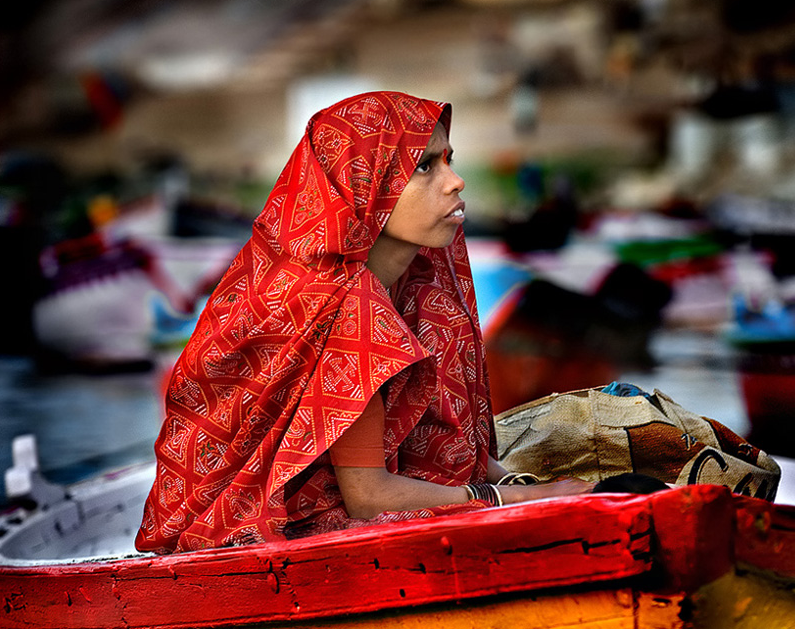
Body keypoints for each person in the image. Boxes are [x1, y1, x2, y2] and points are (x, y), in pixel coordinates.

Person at [135, 91, 592, 554]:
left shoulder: (418, 289)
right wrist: (508, 498)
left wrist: (520, 480)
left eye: (449, 161)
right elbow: (368, 498)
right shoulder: (341, 305)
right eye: (425, 166)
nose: (456, 182)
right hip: (255, 531)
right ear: (363, 183)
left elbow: (430, 440)